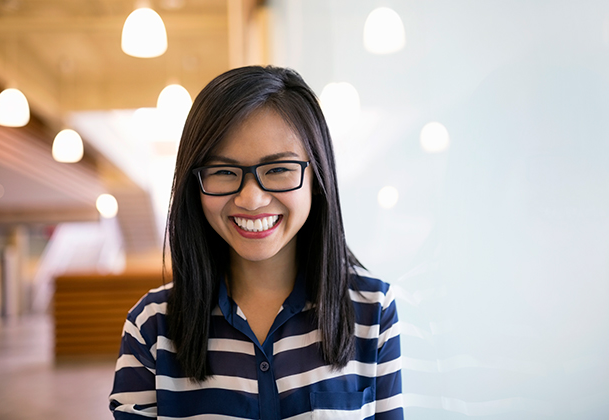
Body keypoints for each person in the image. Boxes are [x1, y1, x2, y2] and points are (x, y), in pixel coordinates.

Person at [109, 65, 403, 419]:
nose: (251, 199)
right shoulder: (150, 327)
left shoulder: (373, 309)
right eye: (223, 171)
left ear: (317, 176)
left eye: (278, 169)